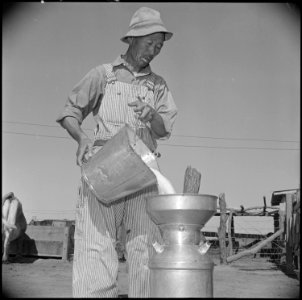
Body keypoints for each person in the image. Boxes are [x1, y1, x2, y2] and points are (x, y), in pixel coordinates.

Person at [56, 6, 177, 298]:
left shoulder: (158, 85)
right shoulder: (103, 75)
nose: (154, 51)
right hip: (104, 169)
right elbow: (71, 112)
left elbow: (164, 129)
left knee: (146, 248)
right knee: (95, 247)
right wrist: (81, 138)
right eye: (149, 43)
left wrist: (151, 115)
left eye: (159, 46)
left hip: (144, 175)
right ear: (132, 38)